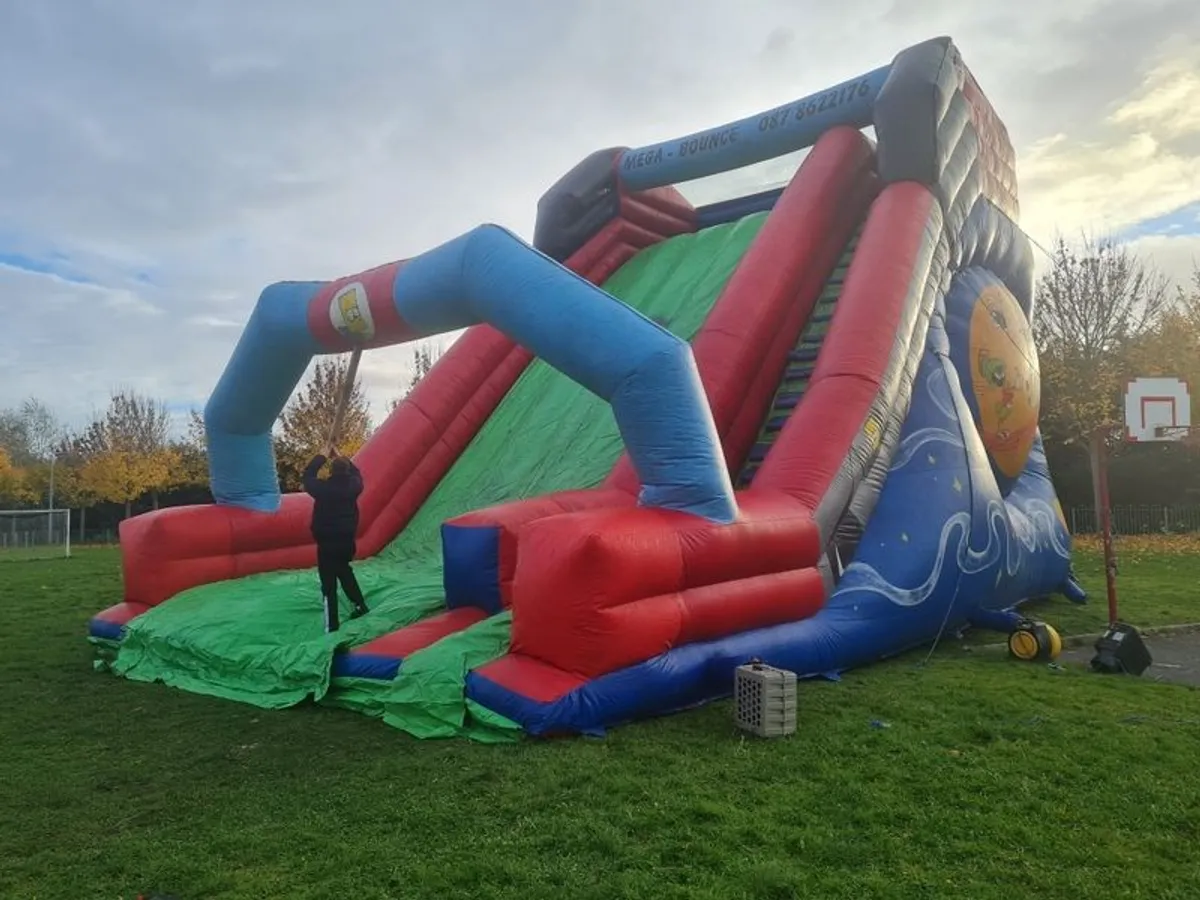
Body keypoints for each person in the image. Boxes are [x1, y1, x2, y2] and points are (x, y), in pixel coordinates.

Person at [303, 446, 369, 632]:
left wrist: (322, 456)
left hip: (327, 544)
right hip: (347, 542)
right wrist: (340, 455)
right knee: (345, 571)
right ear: (346, 470)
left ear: (331, 471)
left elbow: (308, 476)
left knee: (329, 583)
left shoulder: (323, 489)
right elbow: (357, 472)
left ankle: (331, 625)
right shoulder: (354, 487)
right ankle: (360, 605)